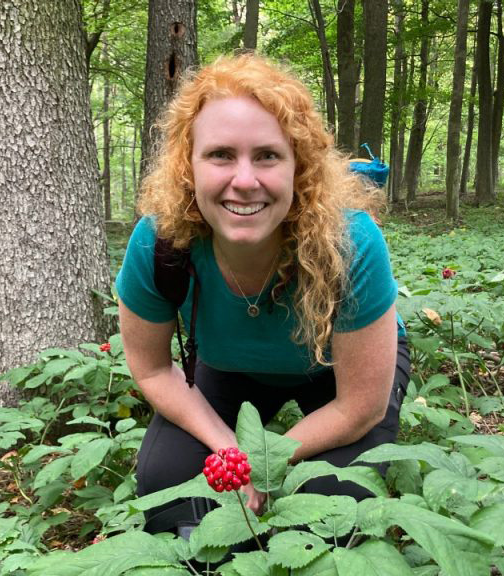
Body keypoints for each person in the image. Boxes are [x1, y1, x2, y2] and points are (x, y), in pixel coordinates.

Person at [115, 54, 409, 534]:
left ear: (300, 167)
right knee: (167, 481)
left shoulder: (350, 243)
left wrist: (265, 462)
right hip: (232, 368)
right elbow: (151, 368)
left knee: (334, 498)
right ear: (188, 166)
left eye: (268, 155)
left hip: (339, 370)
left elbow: (361, 406)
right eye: (221, 155)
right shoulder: (160, 244)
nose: (245, 180)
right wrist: (230, 450)